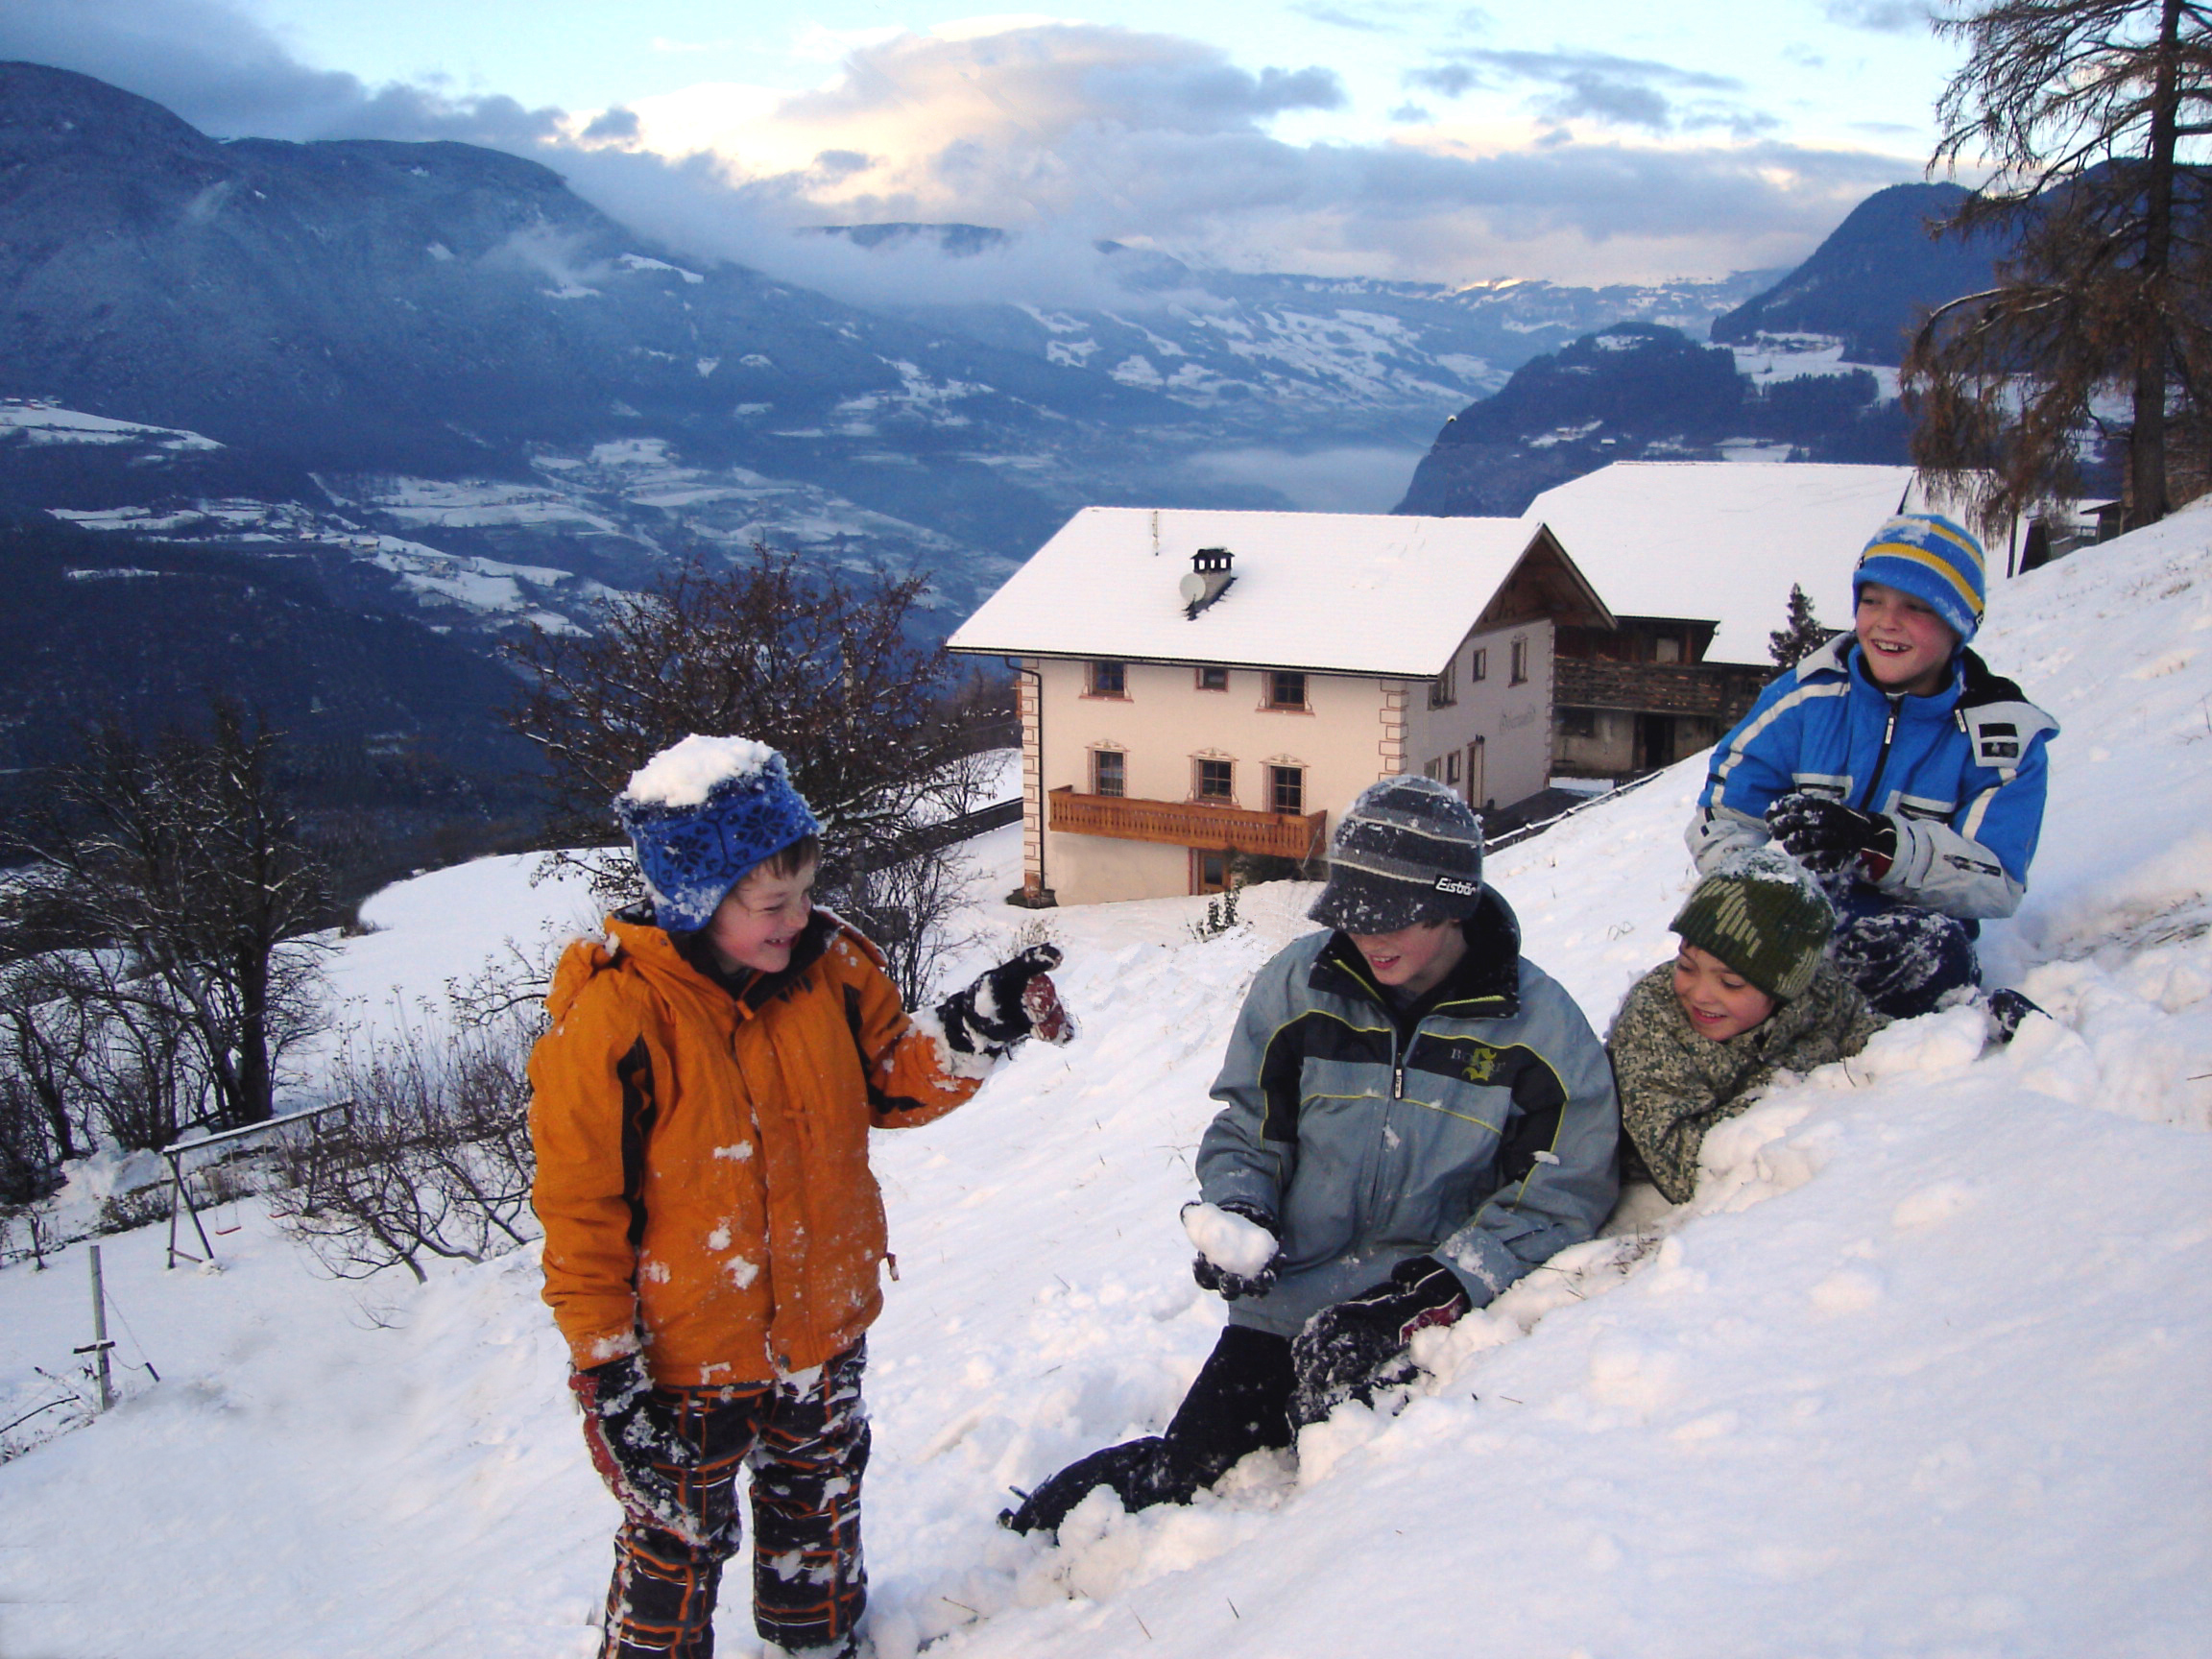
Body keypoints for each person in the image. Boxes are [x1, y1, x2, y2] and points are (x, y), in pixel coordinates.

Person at [529, 734, 1076, 1659]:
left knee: (817, 1514)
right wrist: (607, 1375)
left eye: (804, 893)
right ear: (697, 899)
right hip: (687, 1358)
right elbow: (582, 1213)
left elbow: (891, 1078)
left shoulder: (829, 968)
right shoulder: (617, 1020)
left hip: (822, 1328)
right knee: (675, 1544)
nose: (797, 918)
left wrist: (981, 1018)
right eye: (771, 904)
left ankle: (813, 1645)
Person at [1002, 775, 1618, 1537]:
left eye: (1394, 919)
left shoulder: (1537, 1029)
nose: (1368, 938)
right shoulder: (1301, 986)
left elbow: (1562, 1192)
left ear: (1453, 903)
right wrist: (1243, 1212)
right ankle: (1041, 1531)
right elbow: (1249, 1126)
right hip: (1289, 1301)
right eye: (1352, 915)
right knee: (1187, 1478)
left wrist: (1438, 1291)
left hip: (1420, 1317)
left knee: (1352, 1507)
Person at [1687, 513, 2058, 1022]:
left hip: (1907, 944)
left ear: (1957, 623)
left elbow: (1997, 882)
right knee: (1692, 978)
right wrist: (1755, 892)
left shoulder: (1999, 740)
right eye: (1872, 600)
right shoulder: (1806, 699)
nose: (1887, 621)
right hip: (1792, 921)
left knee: (1919, 960)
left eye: (1916, 606)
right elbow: (1725, 814)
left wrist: (1877, 845)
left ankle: (1913, 1035)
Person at [1608, 850, 1886, 1205]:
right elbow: (1682, 1166)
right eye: (1687, 967)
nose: (1700, 994)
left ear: (1783, 988)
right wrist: (1792, 1088)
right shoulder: (1654, 1020)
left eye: (1731, 983)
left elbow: (1878, 1045)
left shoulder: (1818, 995)